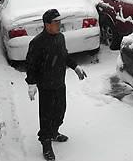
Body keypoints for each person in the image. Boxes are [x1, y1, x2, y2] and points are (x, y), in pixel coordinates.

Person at [25, 9, 87, 161]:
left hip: (59, 82)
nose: (59, 24)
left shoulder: (60, 37)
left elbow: (64, 55)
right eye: (56, 22)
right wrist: (31, 83)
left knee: (60, 111)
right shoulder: (37, 43)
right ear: (47, 25)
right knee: (46, 115)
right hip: (45, 85)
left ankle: (54, 132)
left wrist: (75, 67)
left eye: (60, 21)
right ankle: (46, 142)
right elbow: (31, 65)